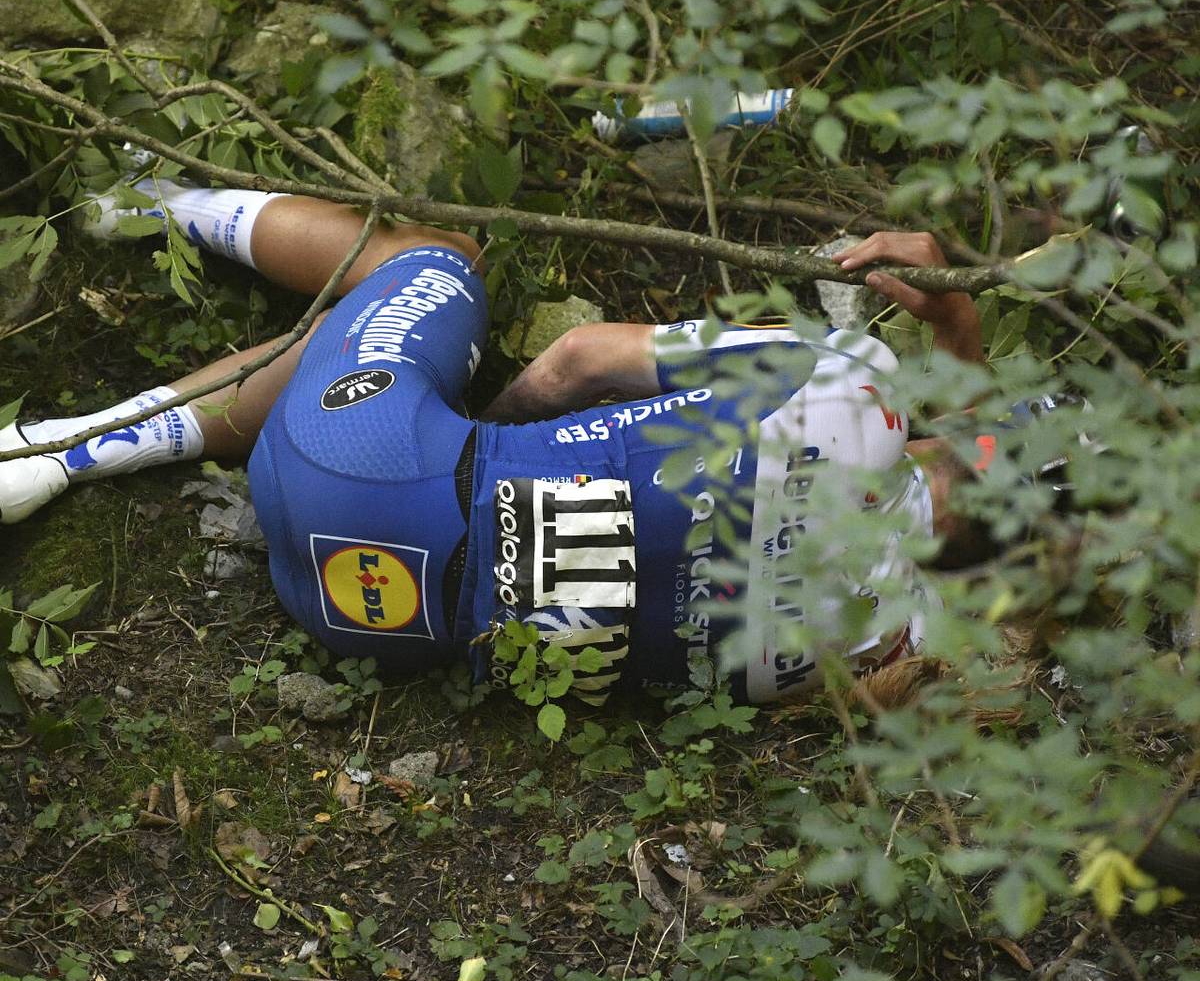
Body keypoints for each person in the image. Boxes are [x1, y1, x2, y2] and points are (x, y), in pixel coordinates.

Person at [0, 179, 988, 704]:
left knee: (435, 264)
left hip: (367, 466)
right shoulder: (892, 654)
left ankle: (131, 268)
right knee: (354, 386)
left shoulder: (851, 390)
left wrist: (953, 325)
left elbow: (578, 360)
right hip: (367, 620)